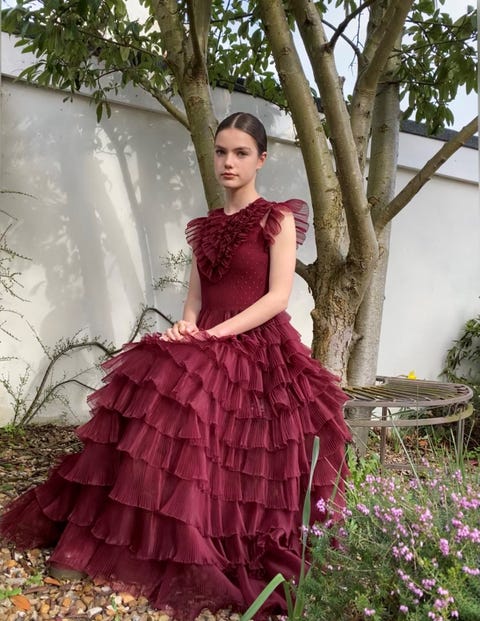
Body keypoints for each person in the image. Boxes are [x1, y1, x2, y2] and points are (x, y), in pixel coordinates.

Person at [0, 112, 351, 620]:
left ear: (261, 159)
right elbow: (194, 298)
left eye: (241, 153)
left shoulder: (276, 219)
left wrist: (215, 334)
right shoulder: (206, 226)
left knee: (209, 422)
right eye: (222, 152)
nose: (228, 162)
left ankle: (201, 540)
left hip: (256, 344)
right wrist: (186, 328)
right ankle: (101, 536)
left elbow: (277, 298)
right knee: (149, 383)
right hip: (206, 335)